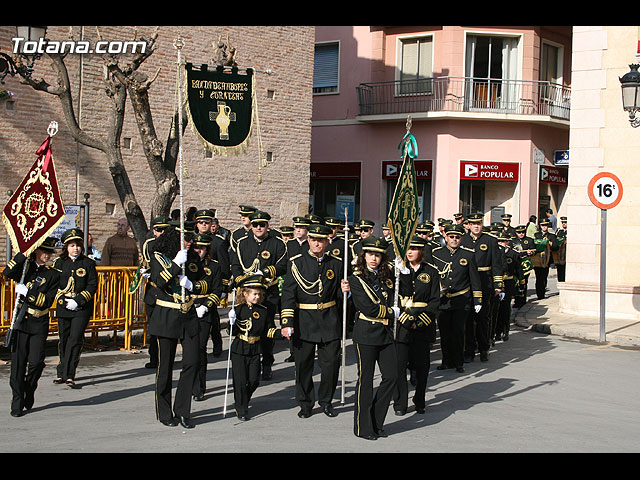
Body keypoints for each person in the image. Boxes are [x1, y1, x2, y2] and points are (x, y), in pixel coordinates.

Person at [147, 224, 211, 428]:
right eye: (185, 238)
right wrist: (175, 264)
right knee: (165, 366)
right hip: (166, 314)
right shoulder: (158, 255)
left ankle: (183, 410)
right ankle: (165, 412)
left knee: (192, 362)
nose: (189, 243)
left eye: (191, 239)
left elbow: (206, 282)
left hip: (188, 314)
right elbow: (158, 280)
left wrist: (192, 285)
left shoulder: (192, 258)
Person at [280, 223, 347, 419]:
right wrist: (287, 322)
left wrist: (345, 293)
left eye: (321, 240)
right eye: (314, 239)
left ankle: (326, 401)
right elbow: (288, 295)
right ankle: (305, 403)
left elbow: (338, 295)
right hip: (304, 321)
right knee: (303, 366)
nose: (317, 243)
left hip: (329, 320)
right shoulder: (296, 263)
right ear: (308, 240)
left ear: (327, 241)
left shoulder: (336, 264)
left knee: (331, 365)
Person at [347, 236, 399, 440]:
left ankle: (376, 420)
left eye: (377, 255)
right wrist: (390, 312)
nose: (373, 258)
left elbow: (399, 293)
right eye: (370, 254)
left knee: (392, 376)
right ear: (364, 256)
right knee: (365, 381)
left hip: (385, 334)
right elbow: (367, 307)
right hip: (366, 333)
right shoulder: (356, 279)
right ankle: (363, 427)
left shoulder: (388, 277)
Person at [3, 237, 60, 417]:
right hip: (21, 321)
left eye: (49, 253)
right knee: (18, 364)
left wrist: (28, 293)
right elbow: (7, 271)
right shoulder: (24, 268)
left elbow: (46, 301)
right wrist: (23, 252)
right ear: (36, 251)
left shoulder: (53, 274)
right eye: (44, 251)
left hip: (38, 322)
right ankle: (17, 401)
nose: (47, 256)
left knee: (36, 363)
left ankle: (29, 387)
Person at [231, 210, 287, 380]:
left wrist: (268, 271)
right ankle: (246, 360)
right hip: (246, 293)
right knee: (244, 325)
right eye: (255, 224)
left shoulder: (277, 243)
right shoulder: (242, 243)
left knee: (266, 328)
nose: (258, 228)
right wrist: (241, 281)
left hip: (267, 292)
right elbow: (235, 264)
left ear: (267, 226)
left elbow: (283, 264)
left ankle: (267, 362)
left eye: (262, 225)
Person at [392, 235, 440, 416]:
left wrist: (421, 321)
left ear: (421, 251)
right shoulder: (398, 271)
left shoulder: (431, 271)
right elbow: (394, 296)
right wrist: (404, 318)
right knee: (399, 367)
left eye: (414, 249)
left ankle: (419, 399)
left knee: (422, 367)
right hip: (402, 324)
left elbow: (435, 300)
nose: (410, 252)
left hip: (422, 325)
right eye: (408, 249)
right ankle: (400, 403)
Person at [227, 274, 280, 420]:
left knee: (254, 379)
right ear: (245, 293)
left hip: (255, 348)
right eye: (254, 294)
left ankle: (244, 399)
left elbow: (268, 330)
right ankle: (241, 408)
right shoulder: (238, 309)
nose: (257, 297)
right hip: (239, 347)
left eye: (259, 294)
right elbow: (230, 332)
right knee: (240, 380)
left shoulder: (262, 310)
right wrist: (231, 323)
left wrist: (281, 333)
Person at [432, 224, 482, 373]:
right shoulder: (436, 254)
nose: (454, 239)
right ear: (445, 237)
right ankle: (446, 361)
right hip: (443, 300)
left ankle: (459, 362)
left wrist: (478, 299)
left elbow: (474, 279)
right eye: (451, 237)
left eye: (457, 237)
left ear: (461, 238)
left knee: (459, 332)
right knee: (445, 332)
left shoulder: (468, 254)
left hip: (461, 299)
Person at [52, 229, 98, 389]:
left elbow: (92, 285)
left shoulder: (88, 263)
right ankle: (61, 372)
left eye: (78, 245)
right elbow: (54, 284)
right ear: (66, 247)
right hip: (64, 307)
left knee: (75, 339)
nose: (75, 248)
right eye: (72, 245)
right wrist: (62, 300)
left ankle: (70, 374)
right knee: (64, 339)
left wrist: (78, 301)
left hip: (81, 308)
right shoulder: (59, 263)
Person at [461, 213, 503, 363]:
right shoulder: (463, 239)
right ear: (469, 225)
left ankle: (484, 348)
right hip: (467, 284)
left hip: (485, 282)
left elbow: (497, 264)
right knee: (467, 319)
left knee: (482, 318)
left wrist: (498, 284)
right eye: (473, 224)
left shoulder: (490, 240)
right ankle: (469, 350)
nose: (476, 226)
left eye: (478, 223)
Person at [190, 233, 223, 402]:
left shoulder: (214, 267)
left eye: (202, 248)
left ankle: (199, 387)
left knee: (200, 349)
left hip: (204, 311)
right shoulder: (185, 265)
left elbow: (217, 290)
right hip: (187, 310)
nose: (199, 251)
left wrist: (206, 306)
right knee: (190, 351)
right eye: (196, 248)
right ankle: (190, 382)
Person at [195, 208, 230, 357]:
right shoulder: (192, 240)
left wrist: (223, 287)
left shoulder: (218, 242)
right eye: (201, 222)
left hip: (212, 286)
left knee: (212, 316)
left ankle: (217, 342)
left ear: (211, 224)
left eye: (206, 222)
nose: (203, 225)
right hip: (196, 285)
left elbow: (224, 266)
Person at [141, 216, 171, 369]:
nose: (162, 232)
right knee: (153, 326)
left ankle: (165, 357)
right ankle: (154, 357)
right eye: (159, 230)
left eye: (165, 229)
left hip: (168, 290)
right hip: (153, 289)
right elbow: (147, 263)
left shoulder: (173, 244)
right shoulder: (149, 244)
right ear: (153, 231)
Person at [495, 231, 525, 342]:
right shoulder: (496, 253)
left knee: (505, 308)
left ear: (508, 242)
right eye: (499, 241)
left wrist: (522, 283)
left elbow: (519, 270)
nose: (501, 243)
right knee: (496, 308)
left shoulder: (514, 254)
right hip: (497, 283)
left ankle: (505, 330)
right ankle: (496, 332)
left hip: (508, 282)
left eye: (503, 241)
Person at [531, 219, 558, 300]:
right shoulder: (536, 235)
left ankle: (542, 292)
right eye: (543, 225)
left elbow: (555, 247)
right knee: (538, 277)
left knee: (544, 277)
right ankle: (539, 294)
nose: (544, 227)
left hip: (546, 260)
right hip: (537, 260)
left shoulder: (552, 236)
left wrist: (549, 243)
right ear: (540, 226)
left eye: (546, 225)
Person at [511, 225, 536, 308]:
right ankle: (517, 299)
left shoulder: (529, 240)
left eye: (523, 232)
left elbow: (534, 250)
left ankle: (522, 300)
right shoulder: (512, 241)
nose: (521, 234)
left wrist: (531, 253)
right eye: (519, 232)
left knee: (524, 282)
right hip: (515, 263)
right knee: (516, 282)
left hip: (525, 264)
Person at [555, 216, 567, 282]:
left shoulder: (570, 232)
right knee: (560, 271)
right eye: (563, 222)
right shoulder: (559, 232)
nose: (564, 224)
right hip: (559, 254)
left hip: (566, 255)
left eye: (565, 222)